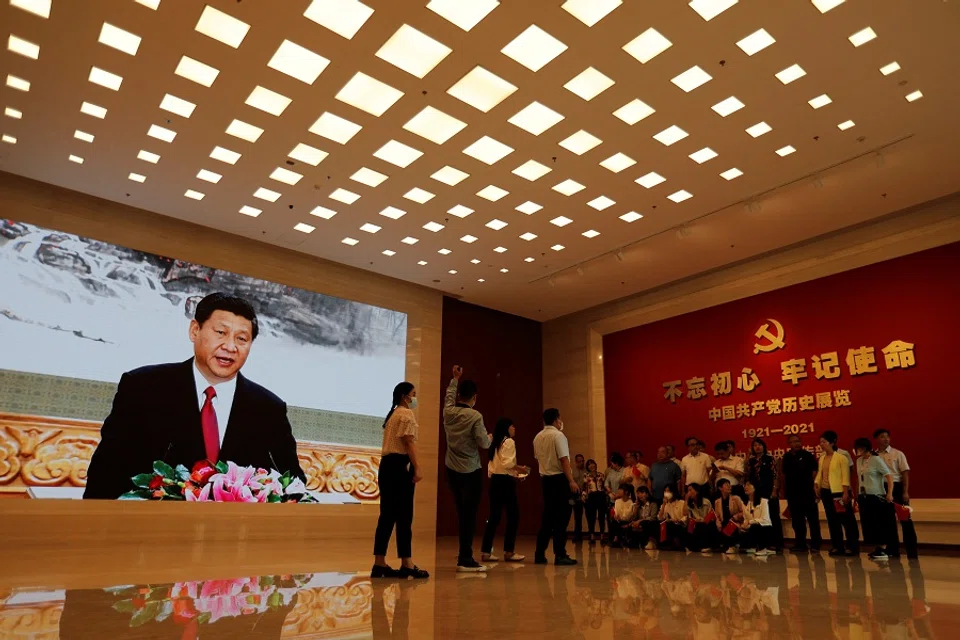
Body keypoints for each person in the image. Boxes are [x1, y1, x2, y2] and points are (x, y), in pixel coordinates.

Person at [84, 293, 305, 499]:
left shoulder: (268, 408)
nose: (230, 347)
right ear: (195, 330)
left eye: (241, 339)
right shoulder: (143, 387)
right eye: (220, 333)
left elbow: (294, 486)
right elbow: (105, 474)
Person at [372, 382, 429, 580]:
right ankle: (407, 563)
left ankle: (379, 563)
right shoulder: (406, 414)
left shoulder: (393, 414)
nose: (415, 398)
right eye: (413, 394)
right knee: (404, 515)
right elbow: (408, 442)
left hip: (386, 466)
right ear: (405, 396)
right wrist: (418, 466)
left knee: (386, 515)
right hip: (399, 466)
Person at [443, 365, 492, 572]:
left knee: (460, 512)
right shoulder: (475, 416)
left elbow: (448, 396)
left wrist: (455, 378)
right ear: (474, 397)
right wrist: (489, 437)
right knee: (469, 516)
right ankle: (465, 558)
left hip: (452, 470)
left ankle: (464, 555)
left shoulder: (448, 412)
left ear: (460, 395)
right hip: (471, 472)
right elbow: (484, 443)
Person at [480, 418, 530, 563]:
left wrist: (515, 472)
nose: (514, 428)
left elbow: (496, 465)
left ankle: (486, 552)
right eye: (512, 426)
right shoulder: (508, 442)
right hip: (505, 483)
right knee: (513, 516)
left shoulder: (494, 442)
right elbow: (508, 463)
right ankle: (509, 551)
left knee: (494, 517)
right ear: (507, 428)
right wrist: (520, 469)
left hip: (495, 481)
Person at [533, 408, 579, 566]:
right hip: (559, 480)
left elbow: (538, 458)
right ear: (556, 419)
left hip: (545, 480)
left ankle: (539, 554)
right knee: (561, 519)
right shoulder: (559, 436)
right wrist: (571, 481)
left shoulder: (537, 437)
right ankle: (560, 554)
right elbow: (564, 461)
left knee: (547, 517)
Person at [874, 428, 918, 558]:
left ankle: (912, 551)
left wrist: (905, 492)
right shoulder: (874, 456)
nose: (886, 439)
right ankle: (893, 549)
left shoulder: (898, 454)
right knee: (888, 521)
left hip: (898, 488)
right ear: (877, 439)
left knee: (905, 520)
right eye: (882, 436)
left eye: (887, 436)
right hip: (882, 489)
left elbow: (905, 473)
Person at [815, 430, 860, 556]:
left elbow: (846, 476)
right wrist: (816, 485)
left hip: (839, 492)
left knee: (846, 520)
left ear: (831, 442)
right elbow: (820, 474)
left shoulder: (842, 456)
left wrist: (846, 492)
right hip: (826, 492)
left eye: (823, 442)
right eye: (820, 442)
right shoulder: (822, 458)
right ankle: (837, 546)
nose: (821, 444)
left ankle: (852, 546)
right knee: (832, 520)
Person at [854, 437, 898, 561]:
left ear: (865, 447)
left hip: (877, 496)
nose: (858, 451)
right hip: (864, 496)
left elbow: (889, 477)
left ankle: (884, 548)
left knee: (880, 522)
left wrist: (889, 493)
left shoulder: (876, 460)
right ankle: (877, 547)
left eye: (860, 448)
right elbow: (859, 478)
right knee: (869, 523)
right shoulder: (859, 461)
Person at [781, 434, 822, 551]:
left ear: (801, 442)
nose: (795, 444)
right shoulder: (787, 457)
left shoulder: (808, 455)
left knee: (813, 520)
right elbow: (784, 475)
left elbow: (814, 471)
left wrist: (813, 486)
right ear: (789, 444)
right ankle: (800, 544)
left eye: (797, 441)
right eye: (792, 442)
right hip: (793, 494)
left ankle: (815, 544)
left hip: (808, 493)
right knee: (797, 521)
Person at [746, 438, 784, 551]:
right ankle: (762, 542)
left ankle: (776, 543)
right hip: (756, 492)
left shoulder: (770, 458)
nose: (757, 447)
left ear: (764, 446)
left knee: (772, 516)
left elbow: (776, 476)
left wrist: (774, 490)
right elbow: (748, 477)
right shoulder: (751, 461)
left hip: (769, 491)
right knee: (758, 517)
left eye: (760, 445)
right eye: (755, 445)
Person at [741, 480, 775, 556]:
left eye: (749, 485)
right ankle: (753, 546)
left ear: (755, 487)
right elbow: (746, 518)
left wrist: (750, 522)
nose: (746, 487)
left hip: (765, 528)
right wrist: (744, 524)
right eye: (745, 485)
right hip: (753, 527)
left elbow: (765, 519)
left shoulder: (763, 501)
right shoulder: (747, 503)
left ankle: (763, 548)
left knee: (755, 526)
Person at [714, 478, 746, 554]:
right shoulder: (717, 502)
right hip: (723, 524)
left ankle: (732, 545)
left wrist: (736, 516)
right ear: (720, 488)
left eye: (729, 484)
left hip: (735, 522)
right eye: (726, 485)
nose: (729, 486)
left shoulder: (736, 498)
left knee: (728, 523)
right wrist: (717, 522)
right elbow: (717, 516)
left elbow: (744, 512)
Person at [581, 459, 608, 543]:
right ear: (587, 467)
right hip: (591, 497)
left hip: (601, 496)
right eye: (589, 465)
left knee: (601, 517)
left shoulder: (601, 475)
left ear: (595, 465)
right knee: (591, 517)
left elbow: (604, 487)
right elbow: (584, 487)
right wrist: (583, 496)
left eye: (593, 464)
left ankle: (602, 536)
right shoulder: (586, 476)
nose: (592, 466)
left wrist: (607, 495)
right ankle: (592, 535)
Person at [685, 483, 716, 554]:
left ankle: (706, 546)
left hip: (706, 522)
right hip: (696, 522)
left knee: (704, 526)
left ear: (697, 491)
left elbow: (710, 516)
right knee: (690, 526)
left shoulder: (706, 501)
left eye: (690, 490)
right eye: (688, 491)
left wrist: (701, 520)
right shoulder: (690, 504)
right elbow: (685, 514)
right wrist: (686, 500)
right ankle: (692, 546)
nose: (688, 493)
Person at [608, 483, 638, 548]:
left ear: (626, 492)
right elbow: (616, 512)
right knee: (613, 521)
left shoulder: (631, 502)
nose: (618, 491)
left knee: (623, 523)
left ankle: (623, 539)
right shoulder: (617, 501)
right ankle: (616, 539)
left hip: (628, 521)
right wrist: (616, 516)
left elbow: (631, 516)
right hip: (619, 521)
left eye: (621, 489)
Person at [571, 453, 586, 542]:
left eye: (582, 461)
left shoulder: (586, 471)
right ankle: (577, 535)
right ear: (576, 462)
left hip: (585, 494)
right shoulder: (572, 471)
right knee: (577, 516)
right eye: (579, 461)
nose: (581, 463)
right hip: (575, 495)